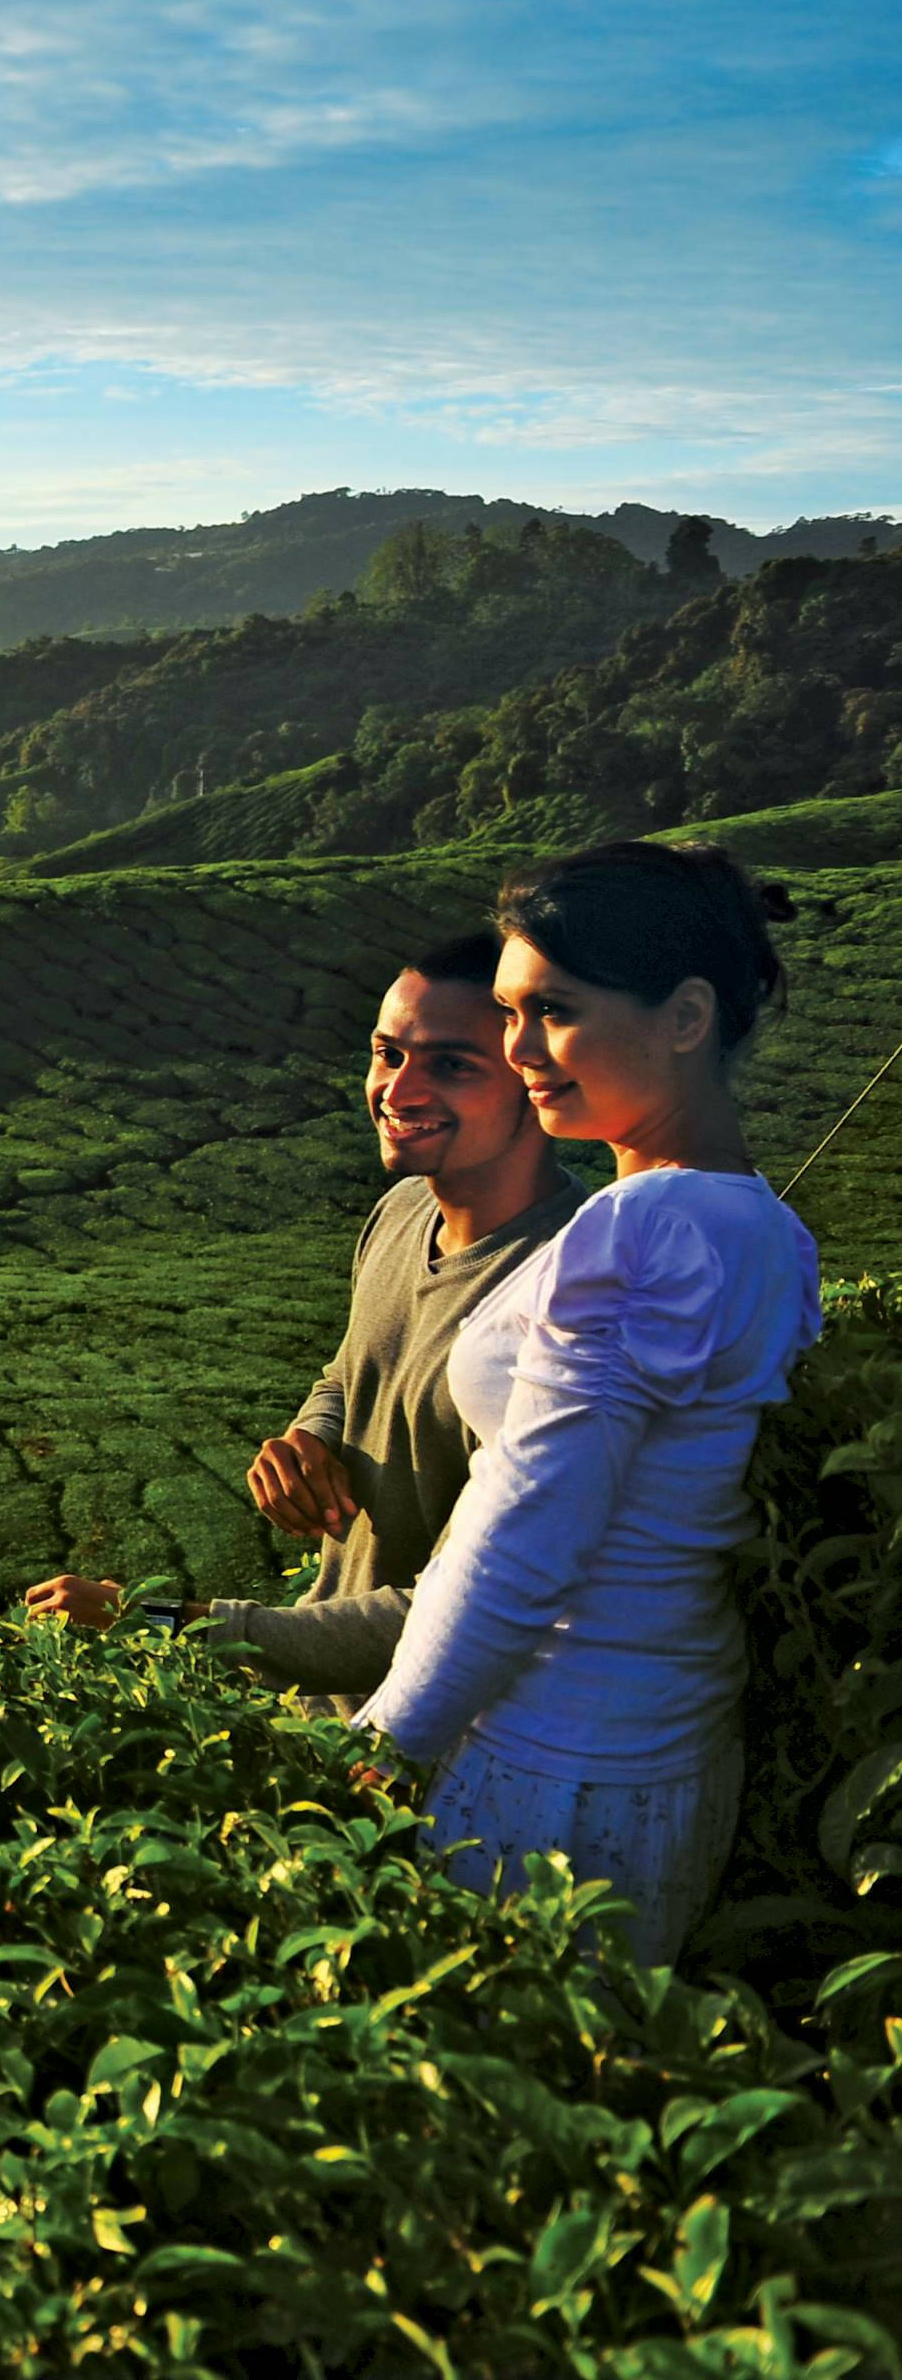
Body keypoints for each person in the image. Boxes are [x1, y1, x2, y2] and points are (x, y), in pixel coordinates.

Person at [355, 839, 815, 1965]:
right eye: (509, 1017)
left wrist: (383, 1741)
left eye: (552, 1012)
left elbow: (528, 1528)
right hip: (648, 1743)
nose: (518, 1053)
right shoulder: (760, 1223)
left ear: (686, 1016)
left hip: (553, 1764)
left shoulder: (641, 1229)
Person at [22, 932, 578, 1699]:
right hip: (330, 1721)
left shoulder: (565, 1291)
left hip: (441, 1754)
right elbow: (349, 1375)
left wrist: (146, 1619)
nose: (398, 1090)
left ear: (535, 1077)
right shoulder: (400, 1212)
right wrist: (310, 1440)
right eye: (387, 1054)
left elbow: (458, 1620)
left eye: (450, 1065)